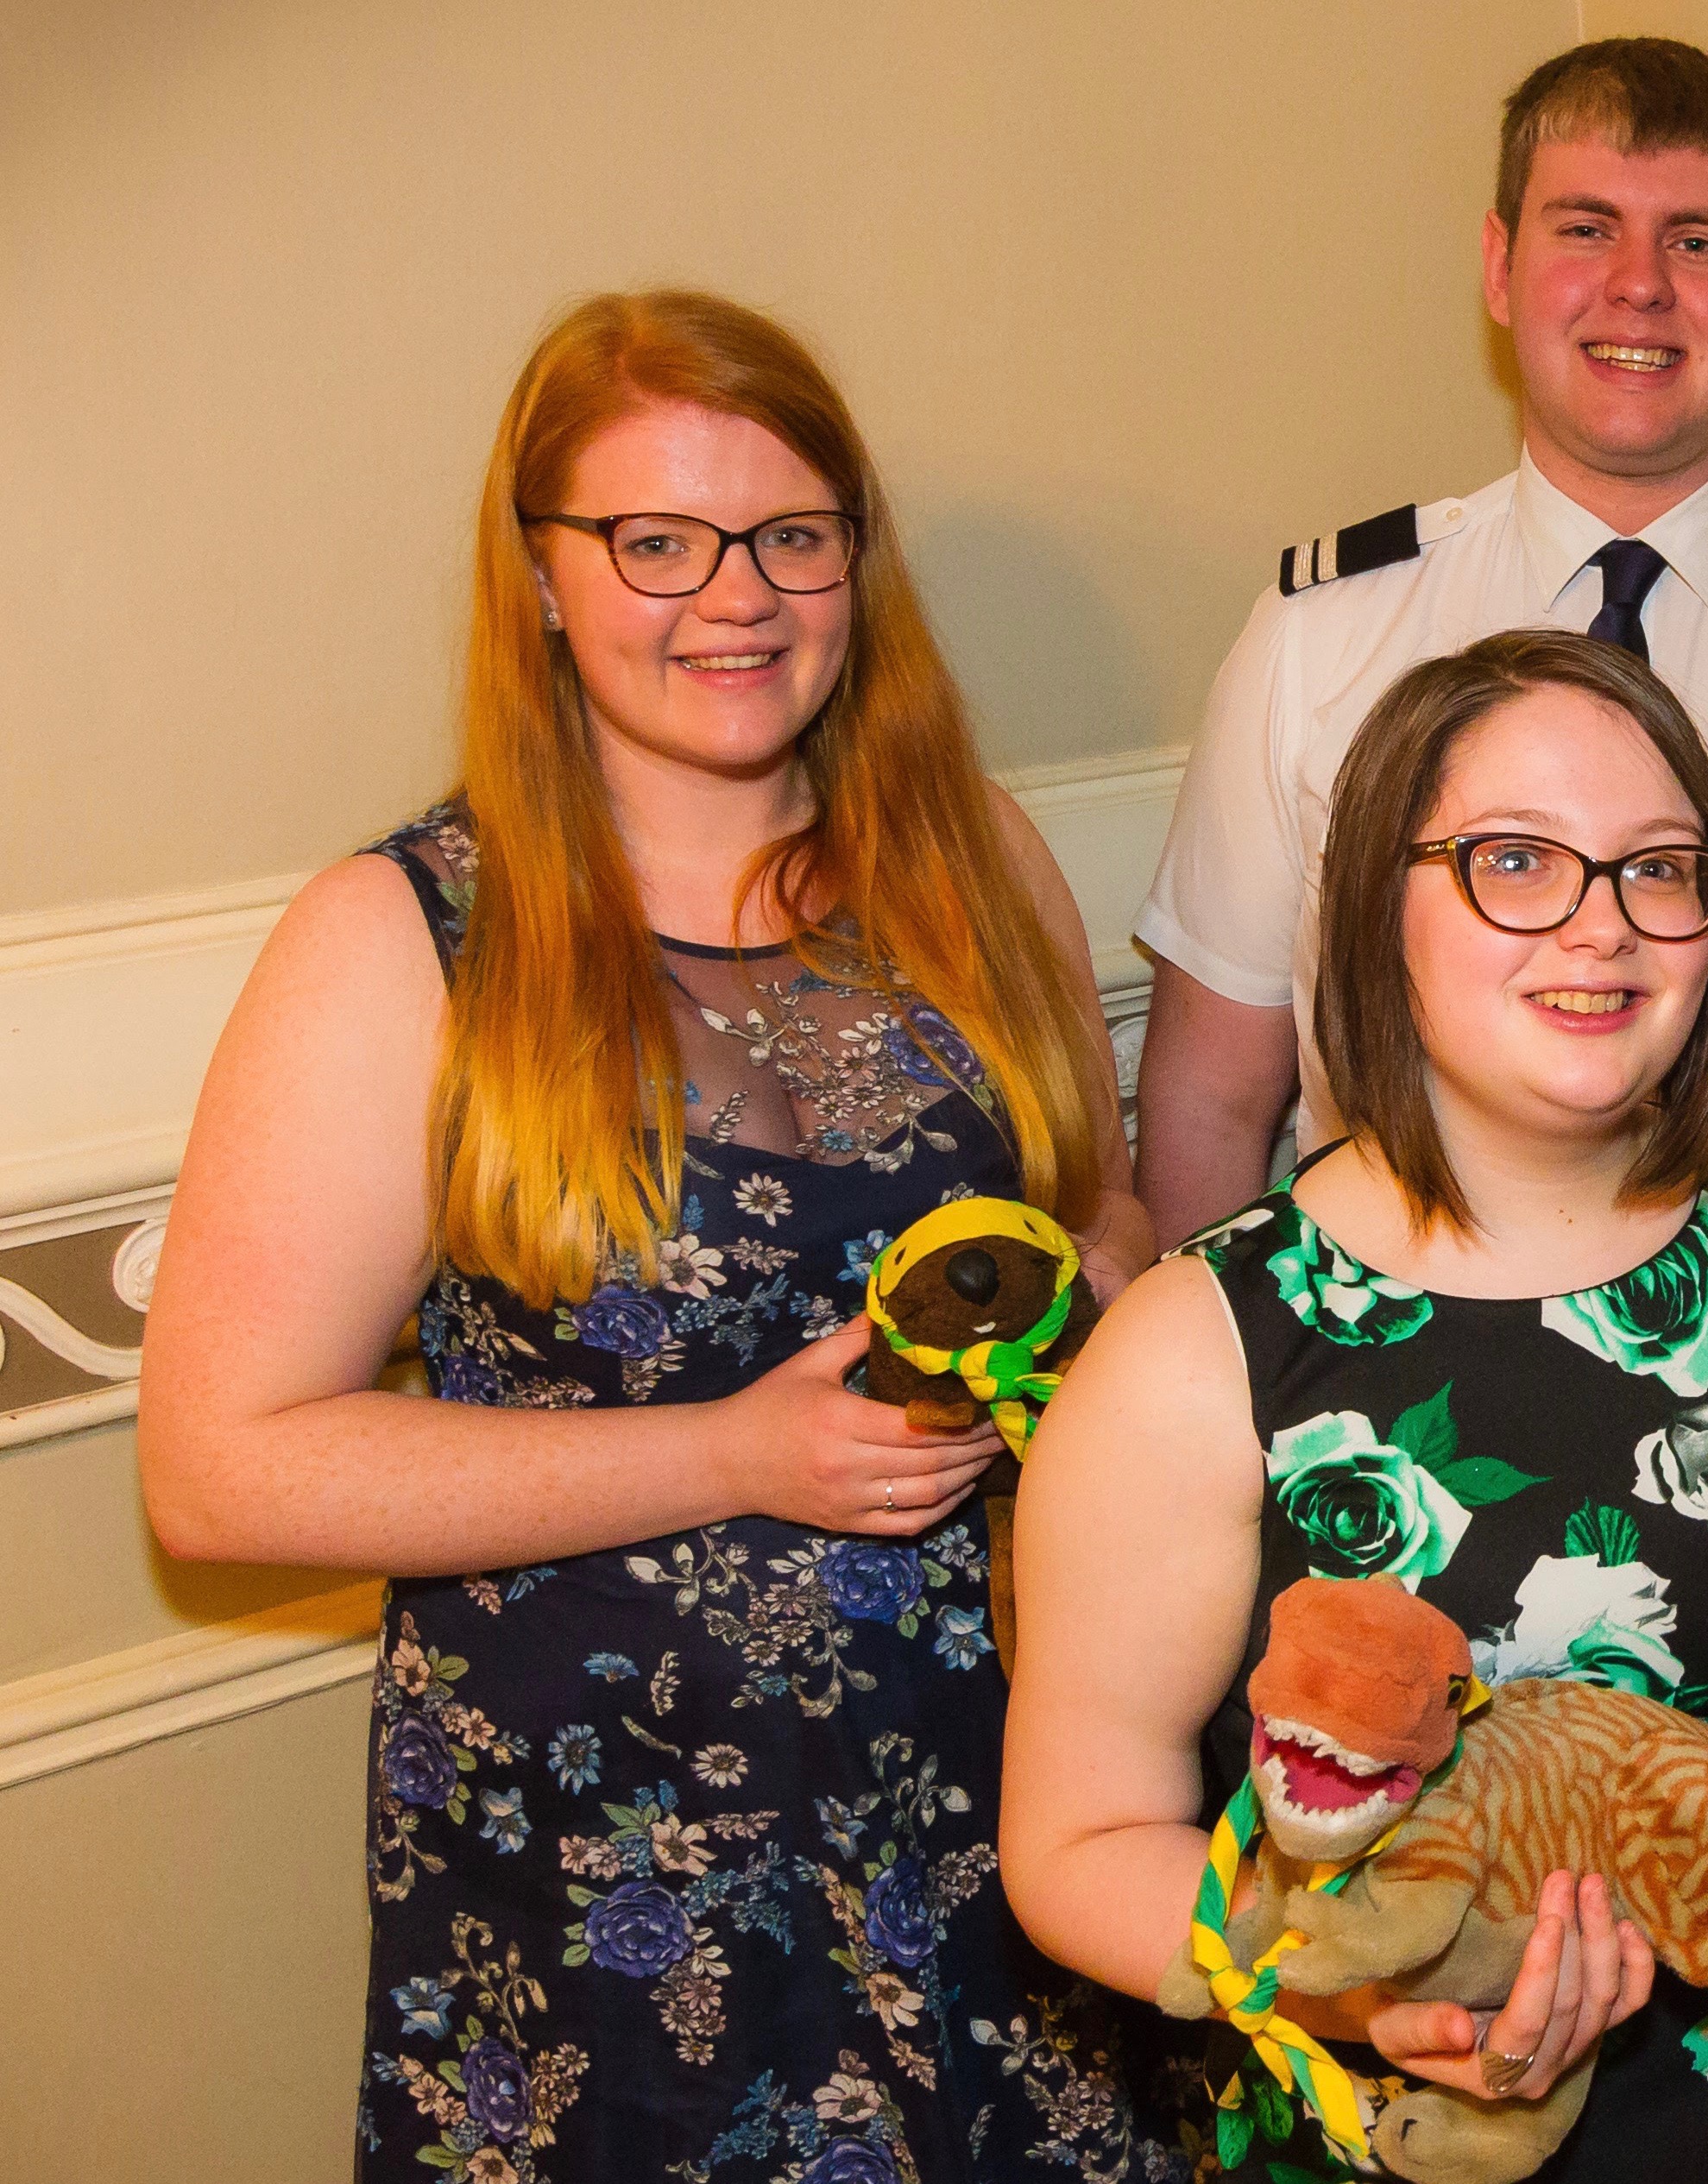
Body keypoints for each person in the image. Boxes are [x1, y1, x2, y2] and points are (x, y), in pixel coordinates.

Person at [136, 290, 1172, 2177]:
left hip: (1010, 1783)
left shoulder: (976, 862)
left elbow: (1099, 1202)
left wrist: (1101, 1288)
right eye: (657, 542)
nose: (737, 596)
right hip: (616, 1871)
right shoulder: (404, 940)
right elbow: (220, 1470)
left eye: (791, 536)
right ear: (541, 575)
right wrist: (734, 1455)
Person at [1002, 630, 1708, 2183]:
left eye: (1659, 869)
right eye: (1516, 862)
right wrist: (1361, 1995)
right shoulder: (1202, 1347)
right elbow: (1077, 1843)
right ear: (1376, 911)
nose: (1602, 926)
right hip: (1396, 2138)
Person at [1133, 36, 1708, 1243]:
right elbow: (1211, 1103)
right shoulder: (1317, 644)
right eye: (1587, 229)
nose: (1639, 285)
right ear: (1501, 269)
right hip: (1399, 1339)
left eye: (1696, 241)